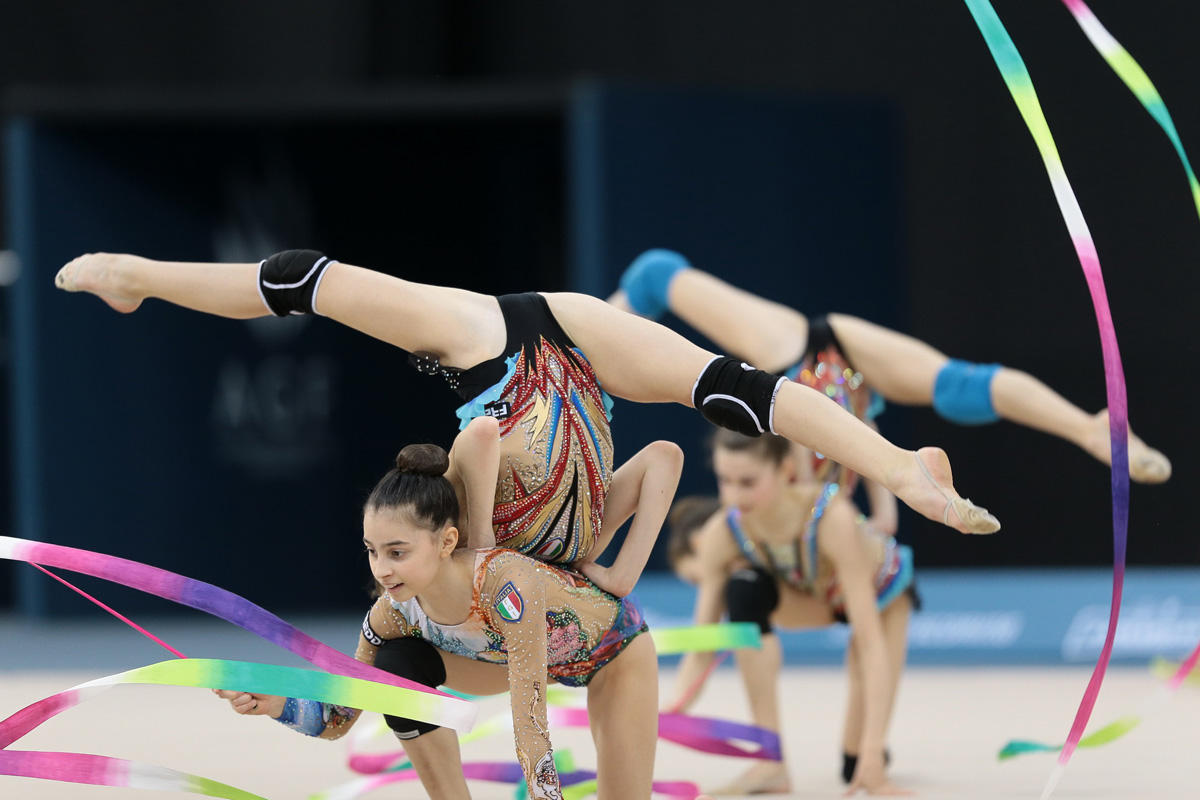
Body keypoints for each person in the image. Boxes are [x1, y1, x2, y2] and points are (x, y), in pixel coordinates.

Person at [56, 250, 1001, 541]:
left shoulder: (474, 572)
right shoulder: (560, 571)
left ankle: (140, 274)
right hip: (581, 357)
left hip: (496, 347)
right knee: (734, 393)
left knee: (308, 282)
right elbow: (652, 475)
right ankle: (902, 469)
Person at [216, 444, 666, 800]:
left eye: (397, 552)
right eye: (372, 550)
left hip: (613, 653)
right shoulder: (390, 615)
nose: (382, 569)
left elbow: (530, 723)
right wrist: (274, 703)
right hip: (504, 658)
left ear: (447, 541)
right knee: (395, 666)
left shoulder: (507, 587)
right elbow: (339, 718)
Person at [610, 248, 1171, 486]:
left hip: (798, 354)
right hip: (826, 393)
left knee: (959, 386)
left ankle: (1091, 429)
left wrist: (610, 327)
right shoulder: (786, 509)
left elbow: (655, 272)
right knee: (957, 390)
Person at [666, 431, 916, 796]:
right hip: (809, 598)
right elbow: (704, 642)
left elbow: (870, 641)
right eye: (725, 481)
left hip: (883, 596)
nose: (734, 496)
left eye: (748, 482)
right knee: (744, 591)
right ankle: (771, 761)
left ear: (784, 469)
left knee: (857, 766)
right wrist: (672, 709)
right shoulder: (724, 531)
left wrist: (873, 753)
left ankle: (867, 751)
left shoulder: (832, 518)